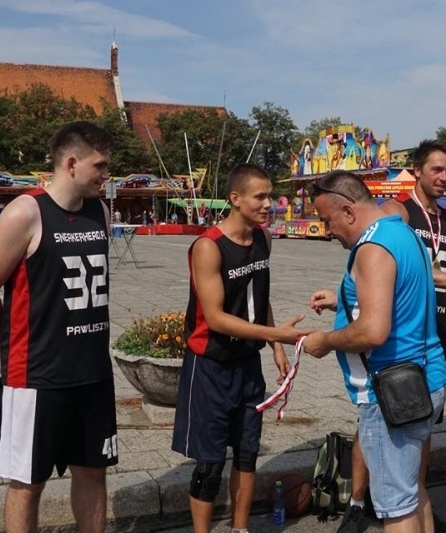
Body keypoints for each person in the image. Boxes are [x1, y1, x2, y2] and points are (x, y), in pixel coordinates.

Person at [338, 139, 446, 533]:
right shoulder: (396, 213)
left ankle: (410, 497)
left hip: (431, 336)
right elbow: (401, 270)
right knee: (374, 424)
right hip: (399, 346)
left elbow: (437, 278)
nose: (444, 177)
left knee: (417, 430)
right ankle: (359, 503)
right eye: (436, 170)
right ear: (418, 171)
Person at [0, 121, 117, 532]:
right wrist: (4, 355)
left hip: (91, 373)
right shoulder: (25, 213)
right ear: (72, 164)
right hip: (37, 377)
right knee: (27, 483)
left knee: (93, 472)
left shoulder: (99, 212)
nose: (107, 176)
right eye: (100, 165)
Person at [303, 170, 446, 533]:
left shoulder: (370, 249)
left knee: (395, 508)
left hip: (391, 394)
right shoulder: (403, 232)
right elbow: (399, 297)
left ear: (350, 211)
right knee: (412, 489)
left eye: (327, 220)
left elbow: (372, 330)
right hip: (427, 378)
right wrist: (343, 299)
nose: (325, 230)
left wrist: (324, 341)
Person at [171, 163, 309, 533]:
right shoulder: (208, 247)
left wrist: (274, 346)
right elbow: (214, 318)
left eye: (269, 196)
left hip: (248, 363)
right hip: (210, 364)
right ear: (235, 199)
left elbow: (258, 296)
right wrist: (278, 335)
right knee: (210, 463)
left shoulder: (263, 239)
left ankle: (240, 528)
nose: (269, 204)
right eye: (259, 196)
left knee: (247, 455)